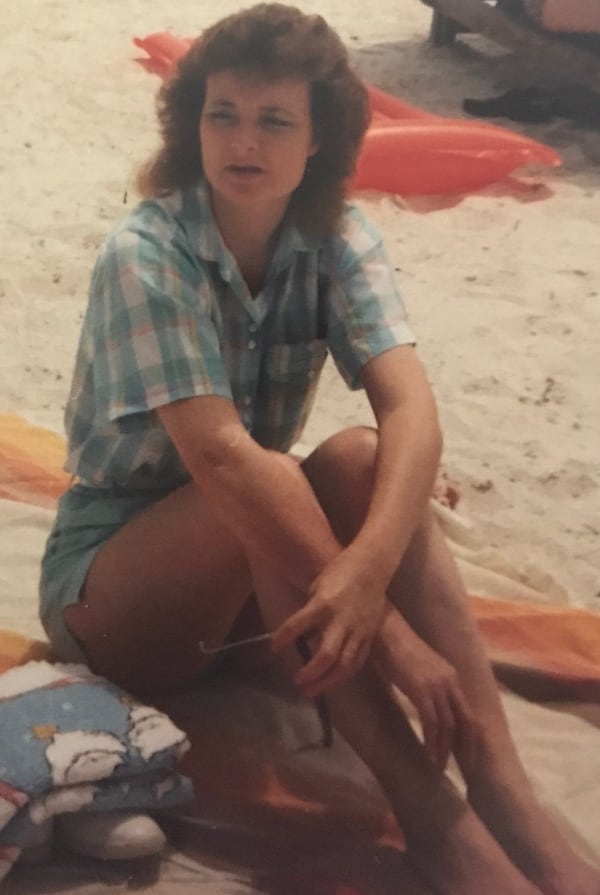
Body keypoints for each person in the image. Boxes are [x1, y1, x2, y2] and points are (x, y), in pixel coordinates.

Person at [38, 4, 599, 892]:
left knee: (361, 457)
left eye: (274, 120)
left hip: (260, 585)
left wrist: (368, 570)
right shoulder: (148, 253)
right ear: (192, 124)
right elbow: (223, 461)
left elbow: (412, 407)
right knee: (266, 479)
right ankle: (431, 813)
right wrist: (394, 637)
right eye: (222, 114)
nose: (242, 142)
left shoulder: (334, 239)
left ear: (318, 140)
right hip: (118, 588)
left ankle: (499, 779)